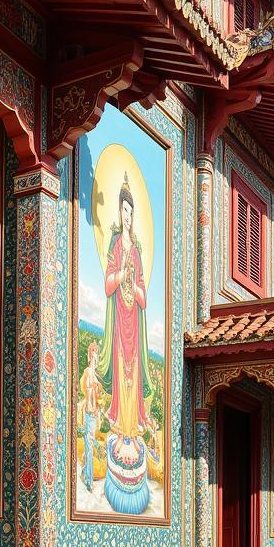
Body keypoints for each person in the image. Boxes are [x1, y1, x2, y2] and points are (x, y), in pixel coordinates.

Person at [97, 173, 153, 464]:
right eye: (124, 210)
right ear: (119, 212)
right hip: (120, 320)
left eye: (131, 211)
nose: (127, 215)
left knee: (134, 372)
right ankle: (121, 431)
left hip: (135, 319)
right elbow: (108, 283)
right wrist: (122, 274)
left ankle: (134, 431)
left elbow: (143, 287)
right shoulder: (116, 244)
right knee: (122, 373)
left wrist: (136, 284)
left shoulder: (139, 250)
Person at [78, 340, 103, 490]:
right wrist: (91, 407)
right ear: (90, 354)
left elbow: (96, 393)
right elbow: (88, 393)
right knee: (89, 444)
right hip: (89, 411)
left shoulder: (95, 374)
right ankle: (88, 479)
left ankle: (86, 474)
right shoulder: (88, 372)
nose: (95, 355)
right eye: (93, 351)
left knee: (90, 443)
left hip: (93, 412)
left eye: (96, 352)